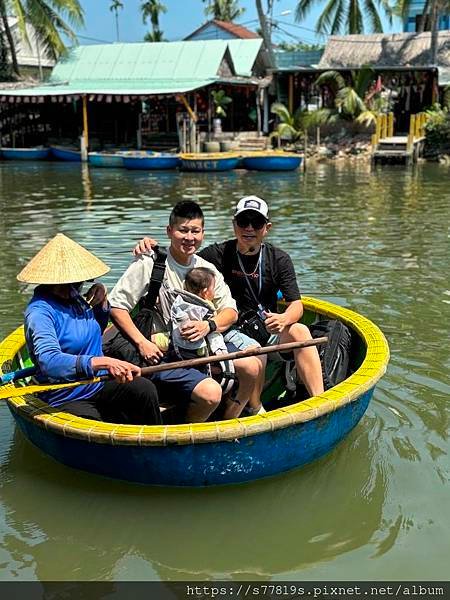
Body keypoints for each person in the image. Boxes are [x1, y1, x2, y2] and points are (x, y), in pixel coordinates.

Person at [134, 195, 325, 411]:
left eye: (257, 223)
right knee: (255, 353)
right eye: (244, 222)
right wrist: (150, 245)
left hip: (268, 327)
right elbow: (183, 251)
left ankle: (320, 402)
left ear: (267, 227)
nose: (249, 228)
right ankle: (255, 408)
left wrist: (283, 319)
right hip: (230, 329)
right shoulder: (216, 255)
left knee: (300, 331)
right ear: (234, 225)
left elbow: (296, 305)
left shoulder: (279, 259)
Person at [108, 201, 262, 423]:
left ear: (202, 233)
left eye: (195, 231)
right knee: (210, 393)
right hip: (161, 350)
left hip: (200, 347)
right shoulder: (150, 262)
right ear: (169, 231)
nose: (189, 237)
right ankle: (186, 431)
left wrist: (207, 326)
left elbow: (230, 311)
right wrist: (143, 343)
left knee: (251, 366)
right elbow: (117, 307)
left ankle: (229, 423)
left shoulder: (207, 269)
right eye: (183, 230)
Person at [19, 233, 161, 425]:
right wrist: (101, 362)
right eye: (77, 281)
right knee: (91, 425)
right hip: (64, 394)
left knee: (144, 389)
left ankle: (155, 445)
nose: (81, 285)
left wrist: (102, 303)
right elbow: (49, 361)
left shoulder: (76, 298)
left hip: (96, 384)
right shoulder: (40, 312)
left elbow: (95, 331)